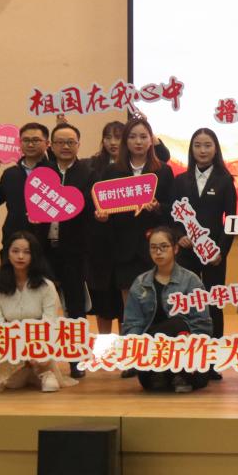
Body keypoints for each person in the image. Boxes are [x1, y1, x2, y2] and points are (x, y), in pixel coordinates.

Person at [170, 127, 237, 380]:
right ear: (191, 149)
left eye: (207, 145)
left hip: (213, 255)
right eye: (197, 145)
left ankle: (212, 361)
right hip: (186, 253)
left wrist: (221, 251)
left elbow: (231, 220)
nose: (202, 150)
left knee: (213, 305)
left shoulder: (225, 180)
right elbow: (172, 216)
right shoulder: (180, 180)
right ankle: (187, 357)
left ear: (215, 149)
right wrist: (179, 236)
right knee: (186, 302)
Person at [121, 226, 212, 393]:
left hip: (184, 352)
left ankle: (179, 374)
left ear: (175, 249)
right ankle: (160, 371)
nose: (158, 252)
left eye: (164, 246)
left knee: (177, 324)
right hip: (152, 353)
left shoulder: (191, 281)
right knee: (149, 383)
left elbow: (202, 325)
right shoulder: (141, 283)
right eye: (153, 247)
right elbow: (132, 324)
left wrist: (195, 352)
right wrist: (137, 351)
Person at [96, 118, 174, 311]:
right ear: (125, 141)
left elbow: (172, 207)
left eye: (143, 137)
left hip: (154, 247)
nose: (138, 142)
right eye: (132, 137)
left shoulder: (163, 171)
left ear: (151, 140)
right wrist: (103, 217)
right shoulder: (112, 171)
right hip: (123, 248)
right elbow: (104, 206)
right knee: (129, 307)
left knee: (156, 305)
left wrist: (158, 207)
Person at [0, 231, 77, 393]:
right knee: (12, 385)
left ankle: (44, 372)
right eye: (15, 251)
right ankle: (30, 372)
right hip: (10, 341)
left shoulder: (46, 285)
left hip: (39, 340)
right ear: (7, 253)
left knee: (51, 385)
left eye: (26, 252)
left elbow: (50, 322)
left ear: (34, 255)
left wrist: (36, 350)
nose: (20, 256)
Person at [40, 122, 94, 377]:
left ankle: (77, 360)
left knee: (75, 306)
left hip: (74, 250)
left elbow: (92, 209)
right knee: (42, 306)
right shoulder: (42, 172)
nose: (65, 147)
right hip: (44, 249)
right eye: (60, 142)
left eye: (70, 142)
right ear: (51, 145)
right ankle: (41, 361)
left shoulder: (88, 173)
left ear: (78, 145)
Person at [85, 121, 125, 335]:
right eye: (108, 137)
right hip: (99, 241)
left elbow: (162, 155)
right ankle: (105, 346)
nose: (112, 142)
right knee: (103, 300)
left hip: (125, 240)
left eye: (118, 137)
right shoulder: (93, 164)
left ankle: (126, 347)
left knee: (126, 302)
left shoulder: (135, 164)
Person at [0, 122, 53, 243]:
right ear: (20, 143)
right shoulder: (10, 174)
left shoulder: (55, 172)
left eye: (36, 140)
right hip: (13, 239)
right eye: (25, 140)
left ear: (47, 144)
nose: (30, 144)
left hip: (47, 241)